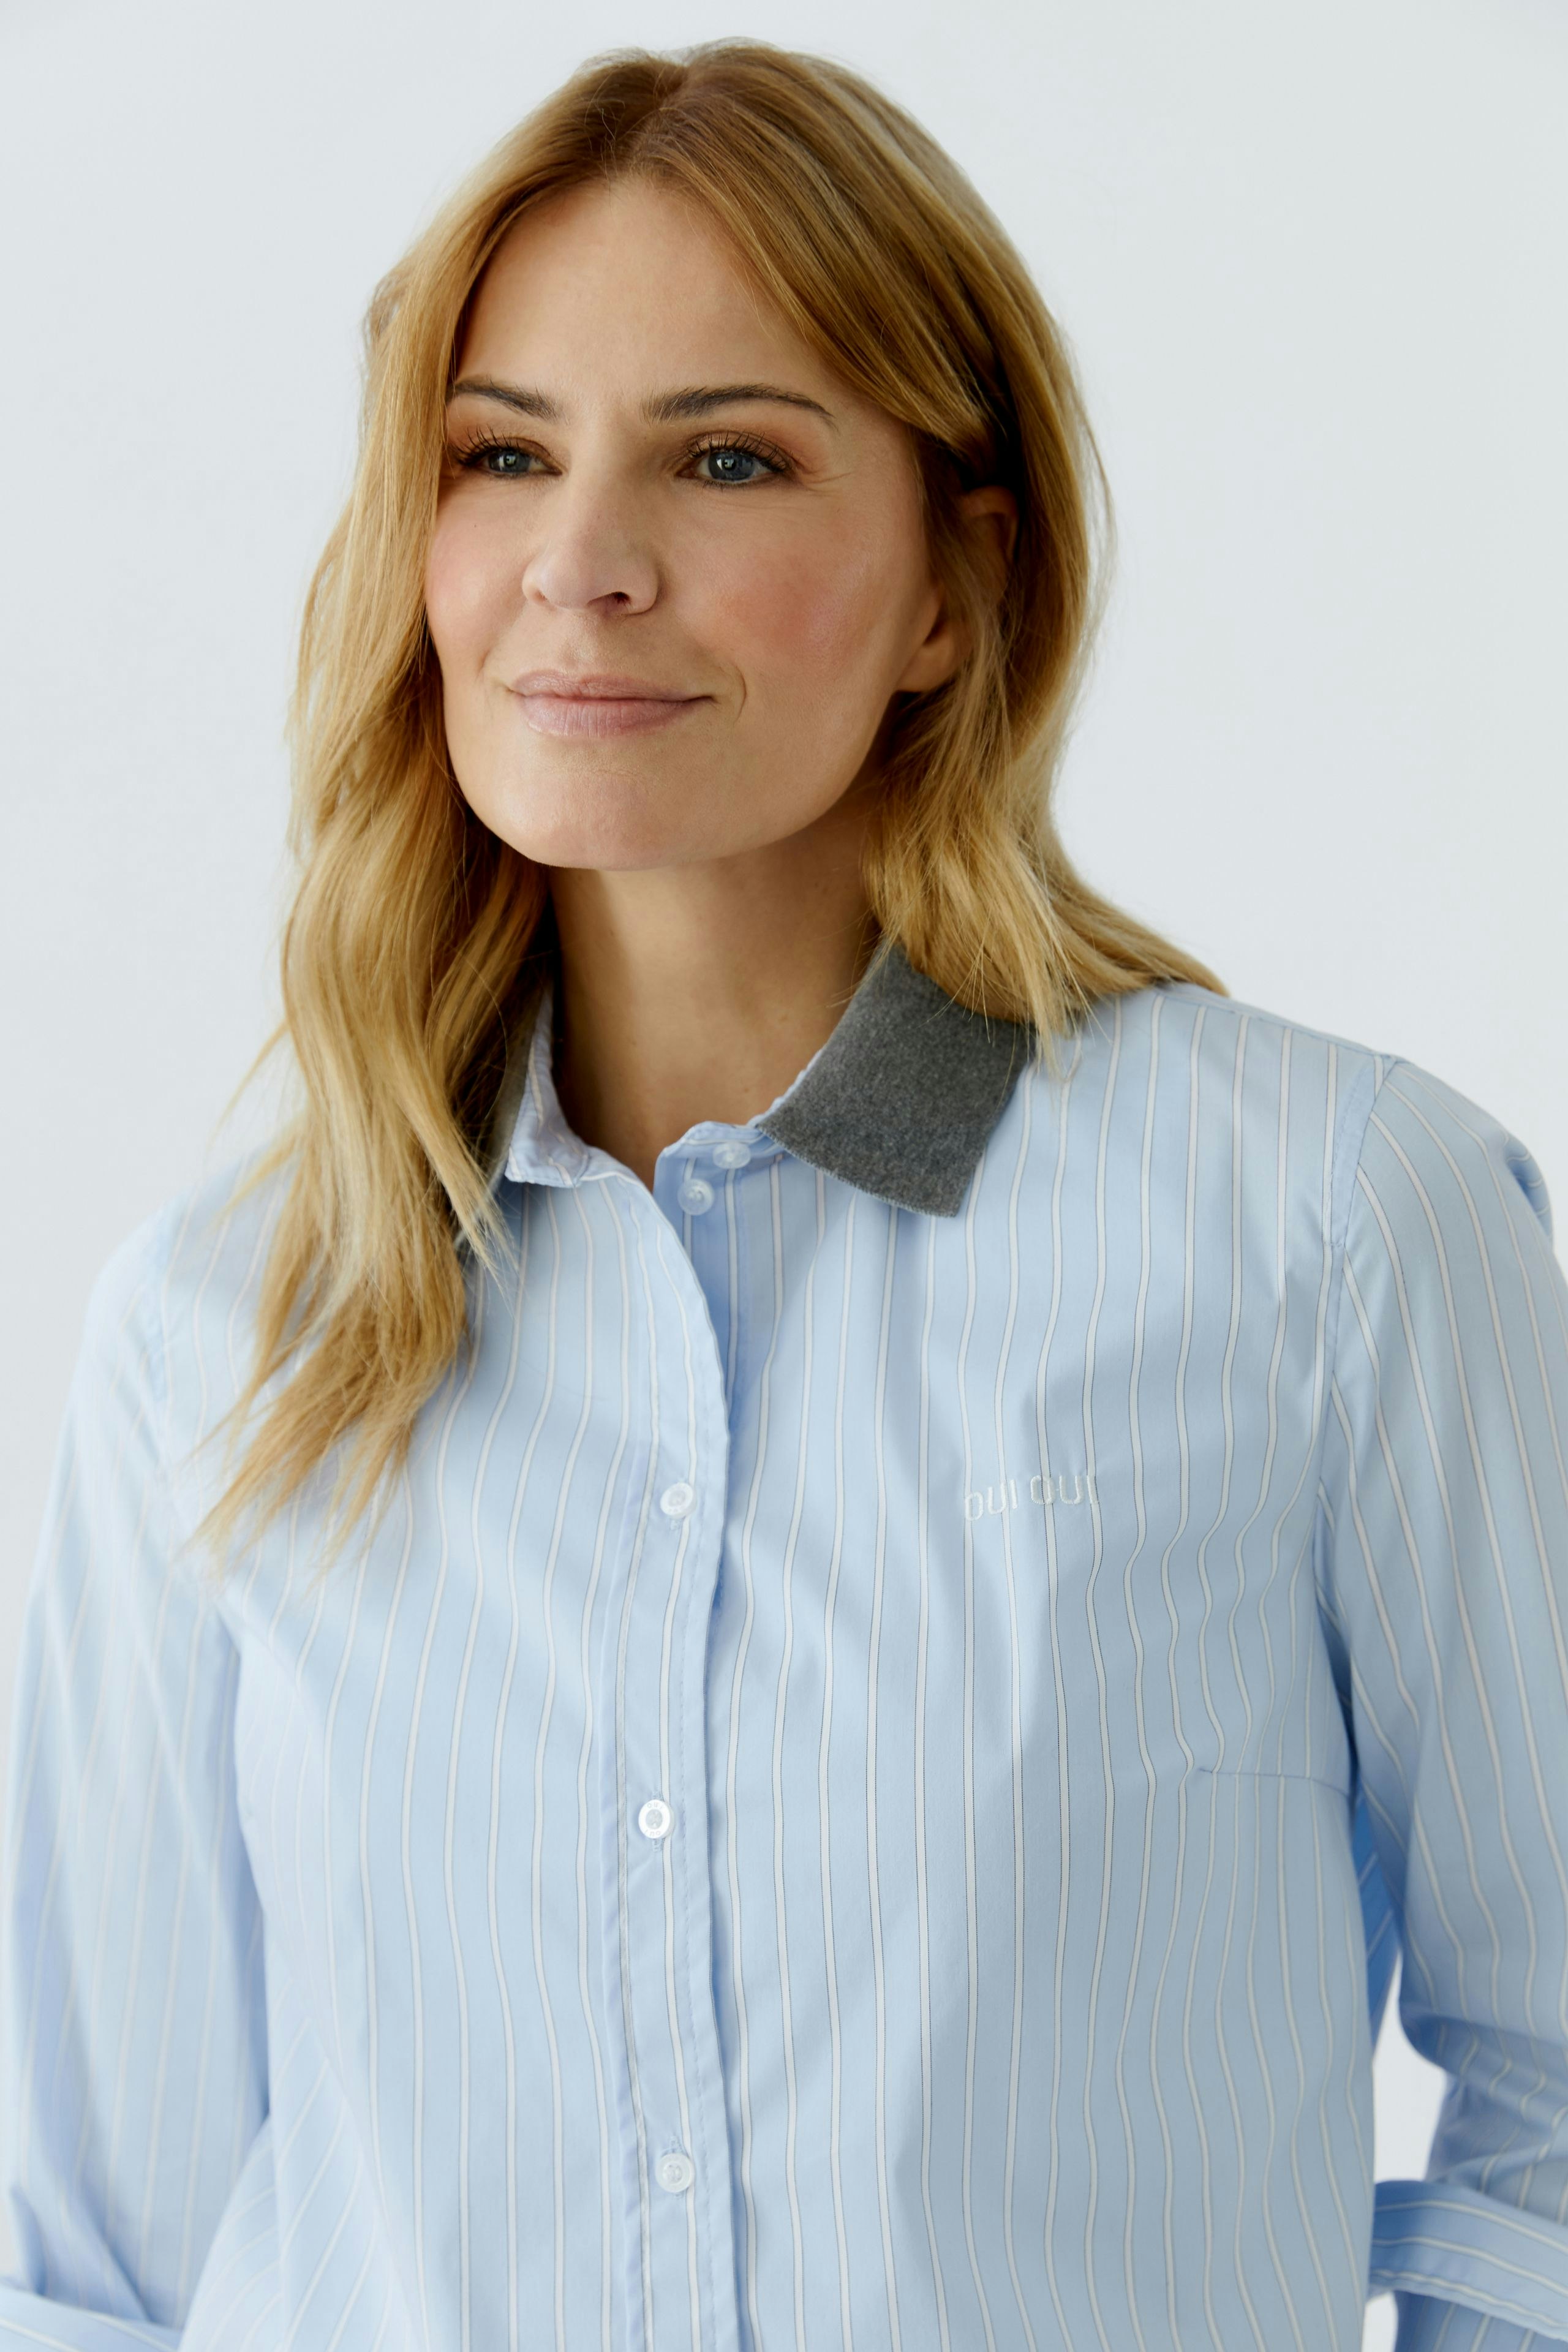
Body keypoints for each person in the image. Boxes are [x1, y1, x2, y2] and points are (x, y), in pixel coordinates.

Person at [3, 37, 1566, 2352]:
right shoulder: (219, 1329)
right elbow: (92, 2267)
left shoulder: (1338, 1232)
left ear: (958, 579)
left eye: (727, 457)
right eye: (499, 454)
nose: (585, 565)